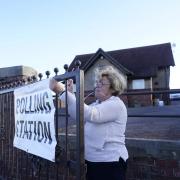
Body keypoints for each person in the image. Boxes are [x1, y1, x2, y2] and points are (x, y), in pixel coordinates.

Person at [50, 66, 128, 180]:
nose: (97, 85)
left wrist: (62, 92)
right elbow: (77, 113)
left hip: (110, 162)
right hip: (93, 161)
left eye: (101, 83)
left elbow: (90, 114)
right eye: (96, 82)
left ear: (113, 87)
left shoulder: (116, 105)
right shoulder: (97, 104)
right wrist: (70, 94)